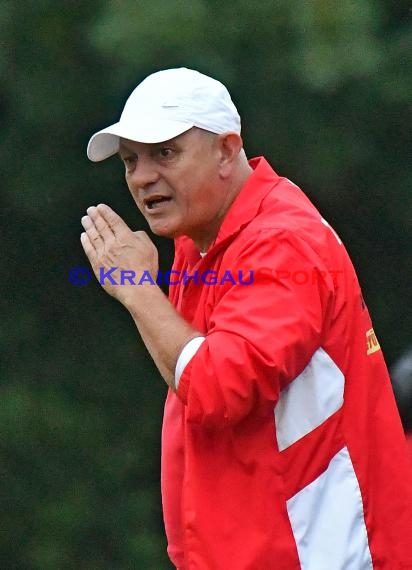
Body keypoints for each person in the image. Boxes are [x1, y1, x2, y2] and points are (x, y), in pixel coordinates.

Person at [82, 68, 412, 569]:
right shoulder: (201, 240)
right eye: (130, 160)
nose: (142, 176)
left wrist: (138, 290)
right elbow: (195, 396)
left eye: (164, 153)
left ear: (227, 149)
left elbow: (218, 388)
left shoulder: (280, 240)